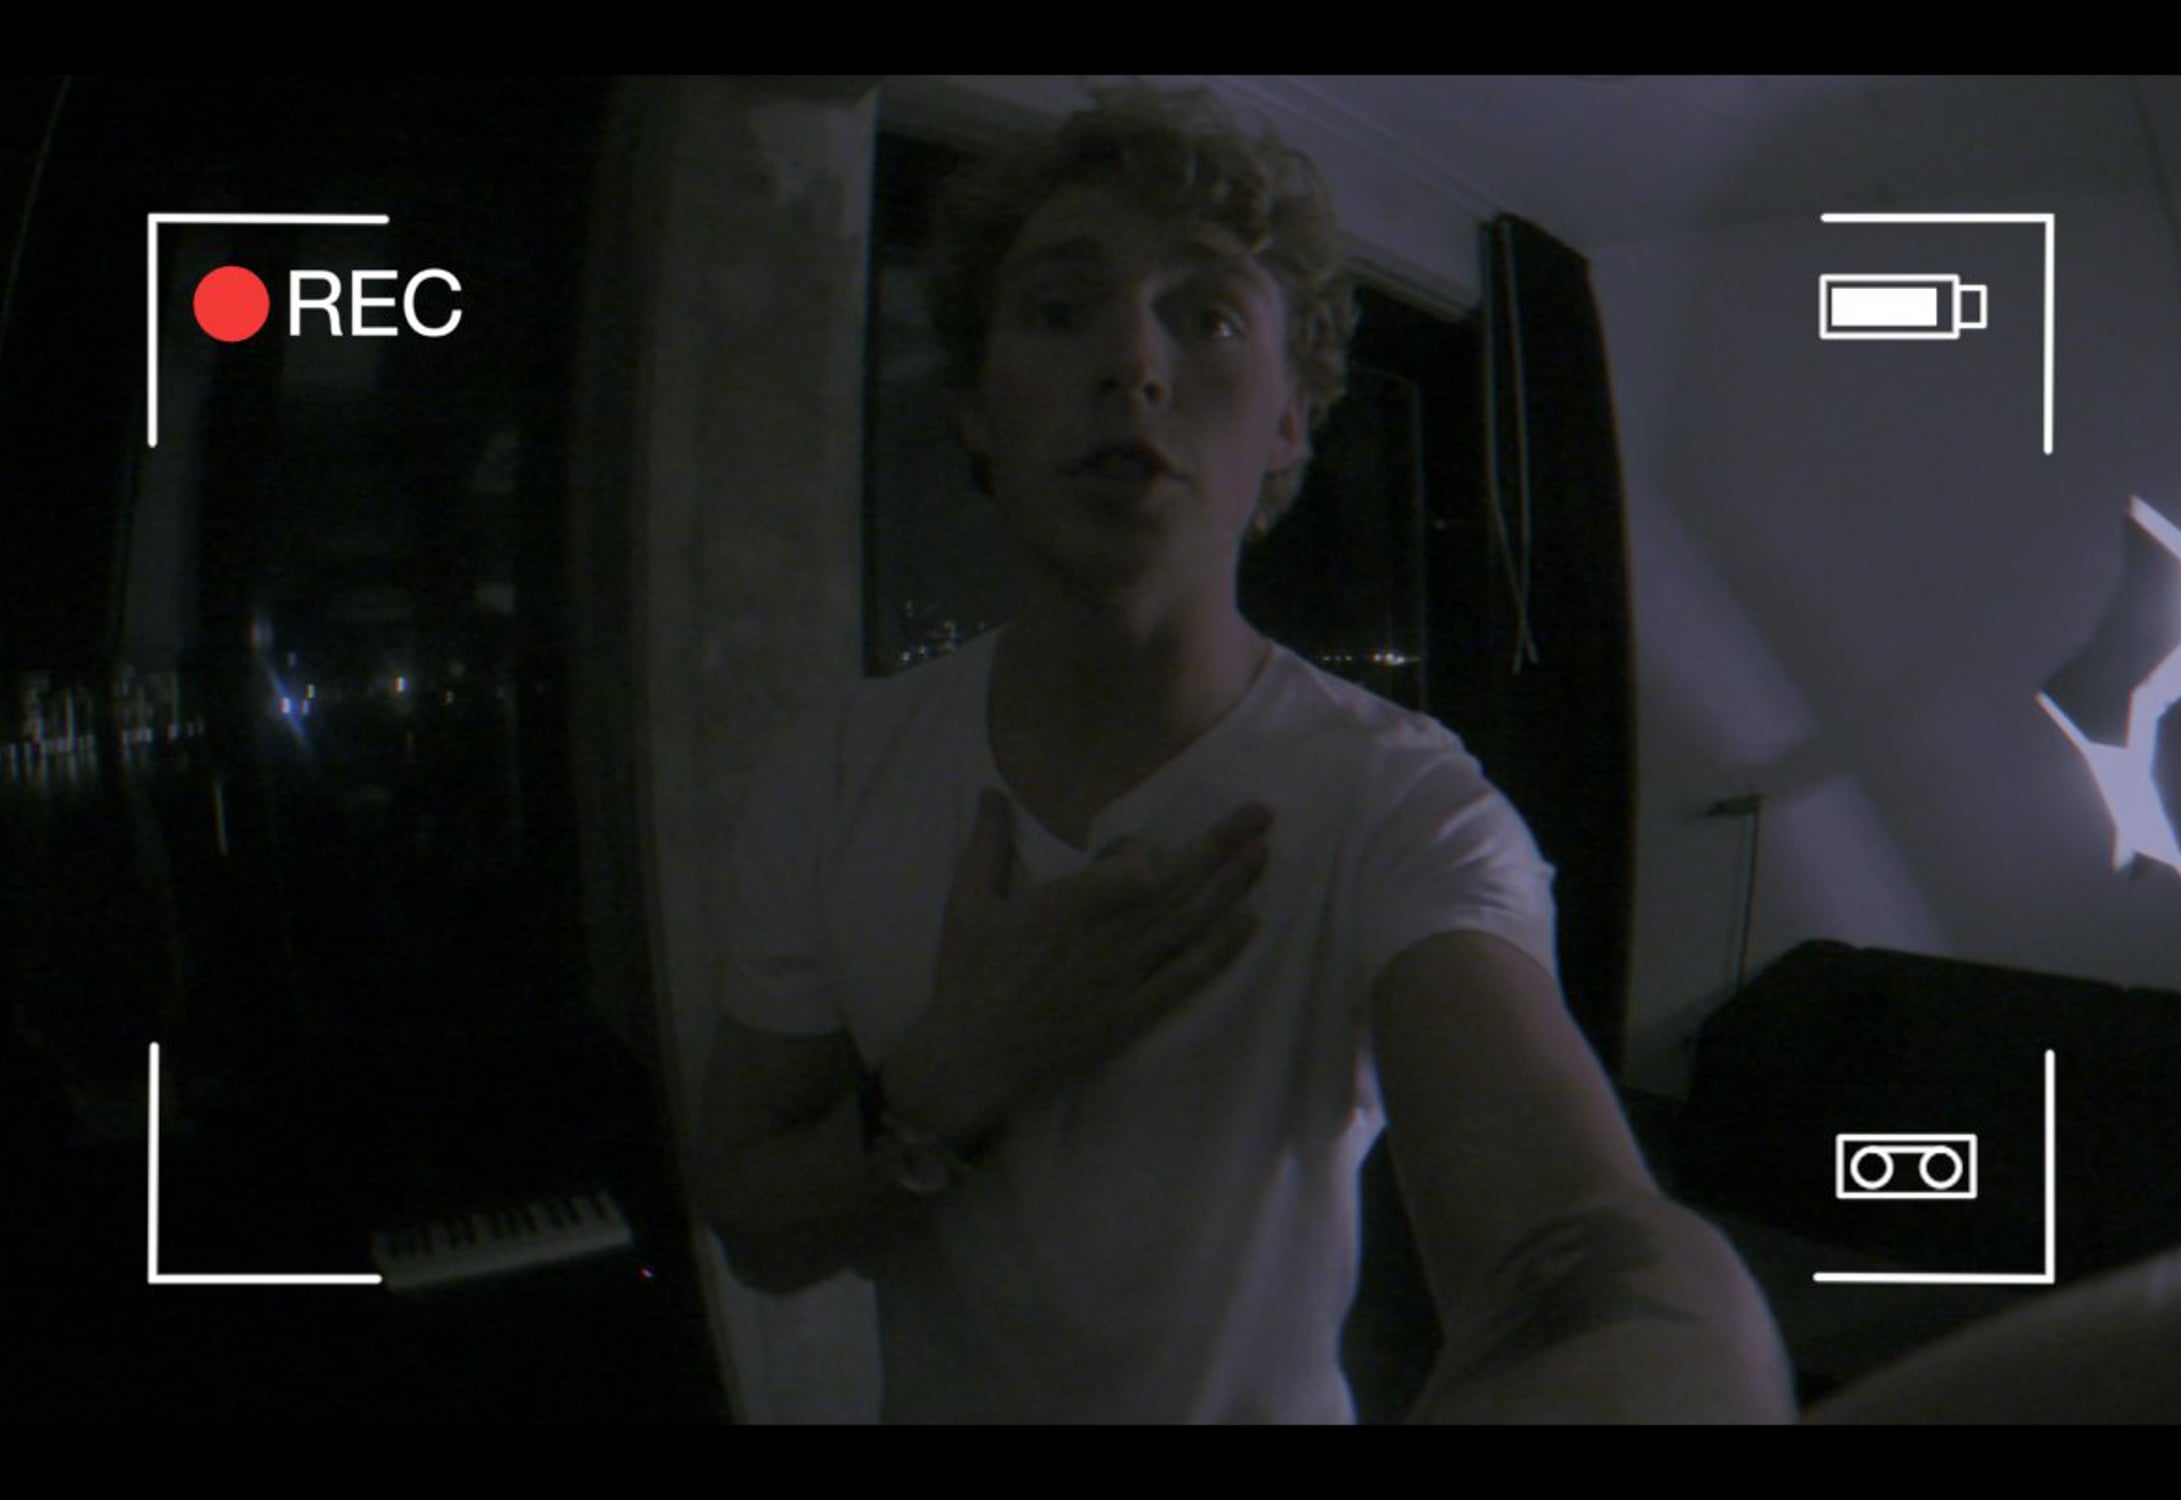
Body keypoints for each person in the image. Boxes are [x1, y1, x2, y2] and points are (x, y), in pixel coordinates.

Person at [695, 86, 1791, 1423]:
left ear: (1287, 423)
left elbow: (1566, 1223)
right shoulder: (835, 773)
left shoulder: (1400, 803)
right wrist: (952, 1076)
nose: (1132, 364)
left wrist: (1666, 1351)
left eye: (1208, 317)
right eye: (1059, 310)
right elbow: (754, 1224)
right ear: (978, 409)